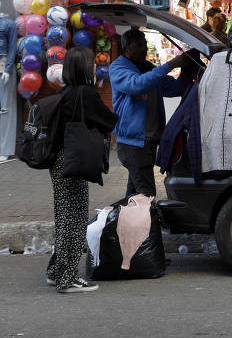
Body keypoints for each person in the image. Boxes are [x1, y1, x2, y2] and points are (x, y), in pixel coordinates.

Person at [46, 47, 118, 293]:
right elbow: (108, 121)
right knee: (75, 220)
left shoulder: (65, 93)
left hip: (58, 161)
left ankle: (56, 271)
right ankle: (68, 278)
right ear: (85, 69)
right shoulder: (86, 93)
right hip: (74, 160)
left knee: (63, 217)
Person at [110, 29, 187, 198]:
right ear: (126, 47)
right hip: (133, 144)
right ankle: (145, 224)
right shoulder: (118, 68)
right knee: (146, 195)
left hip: (148, 143)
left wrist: (187, 71)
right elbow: (137, 85)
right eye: (139, 44)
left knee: (134, 195)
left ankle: (123, 223)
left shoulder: (148, 67)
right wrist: (170, 65)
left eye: (145, 43)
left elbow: (174, 88)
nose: (144, 48)